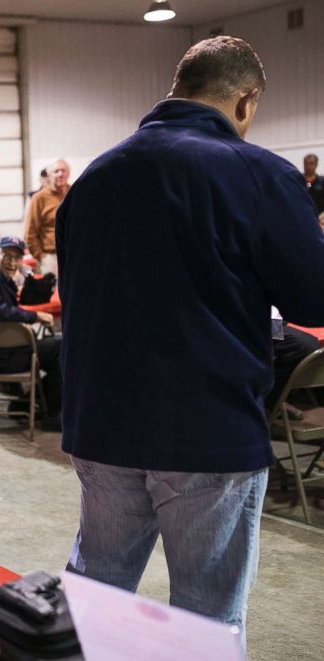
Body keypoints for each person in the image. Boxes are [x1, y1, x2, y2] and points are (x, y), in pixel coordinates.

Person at [56, 36, 324, 639]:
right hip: (206, 430)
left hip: (102, 425)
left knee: (94, 600)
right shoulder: (258, 175)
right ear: (246, 100)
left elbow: (76, 298)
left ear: (177, 88)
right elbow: (314, 298)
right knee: (205, 619)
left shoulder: (95, 178)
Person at [0, 237, 60, 427]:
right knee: (61, 348)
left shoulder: (4, 281)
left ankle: (29, 403)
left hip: (5, 352)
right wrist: (34, 316)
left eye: (17, 258)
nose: (12, 262)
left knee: (61, 353)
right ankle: (49, 413)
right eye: (7, 256)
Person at [24, 159, 69, 276]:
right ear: (49, 176)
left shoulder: (74, 193)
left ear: (68, 173)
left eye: (63, 170)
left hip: (73, 255)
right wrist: (41, 256)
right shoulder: (39, 198)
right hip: (50, 257)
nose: (60, 174)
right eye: (56, 171)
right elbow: (30, 231)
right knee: (53, 292)